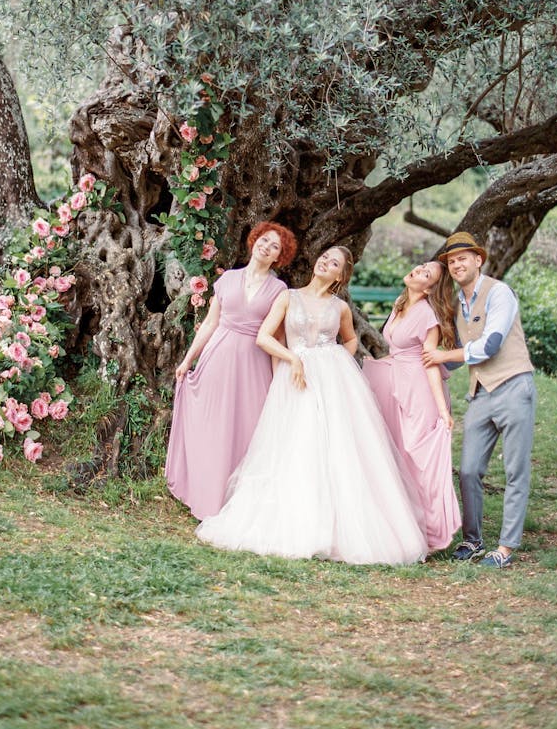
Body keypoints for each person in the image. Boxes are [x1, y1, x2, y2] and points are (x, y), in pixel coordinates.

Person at [196, 247, 428, 565]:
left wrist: (336, 362)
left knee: (339, 447)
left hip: (334, 381)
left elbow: (350, 341)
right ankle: (298, 521)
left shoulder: (340, 307)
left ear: (340, 276)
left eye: (334, 263)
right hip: (295, 376)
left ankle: (342, 527)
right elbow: (264, 337)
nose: (324, 262)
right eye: (324, 257)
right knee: (298, 443)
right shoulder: (288, 297)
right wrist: (293, 357)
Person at [165, 221, 297, 520]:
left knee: (245, 429)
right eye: (264, 240)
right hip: (218, 357)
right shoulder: (227, 280)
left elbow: (277, 337)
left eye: (275, 246)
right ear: (254, 242)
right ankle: (205, 494)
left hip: (253, 364)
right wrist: (188, 360)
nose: (267, 247)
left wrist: (278, 380)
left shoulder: (279, 290)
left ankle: (236, 501)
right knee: (213, 426)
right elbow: (211, 323)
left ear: (280, 256)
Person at [422, 231, 537, 569]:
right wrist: (426, 371)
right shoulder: (458, 304)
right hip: (480, 393)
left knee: (515, 470)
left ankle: (505, 548)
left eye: (463, 258)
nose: (457, 264)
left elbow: (490, 345)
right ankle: (472, 541)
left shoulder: (499, 293)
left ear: (478, 260)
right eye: (451, 261)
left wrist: (442, 356)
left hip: (514, 386)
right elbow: (459, 359)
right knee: (469, 470)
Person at [362, 260, 461, 554]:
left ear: (429, 287)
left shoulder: (427, 317)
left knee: (418, 457)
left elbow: (430, 362)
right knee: (398, 454)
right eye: (421, 267)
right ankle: (404, 527)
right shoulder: (400, 302)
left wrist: (443, 412)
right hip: (395, 381)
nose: (418, 270)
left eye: (426, 273)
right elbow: (396, 348)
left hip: (419, 388)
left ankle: (431, 534)